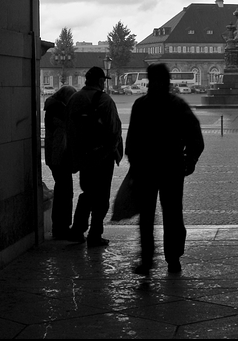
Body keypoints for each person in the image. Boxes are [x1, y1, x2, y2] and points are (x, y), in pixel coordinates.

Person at [125, 63, 204, 275]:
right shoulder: (177, 105)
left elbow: (132, 141)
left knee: (147, 217)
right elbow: (196, 138)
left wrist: (134, 164)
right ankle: (173, 257)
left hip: (146, 169)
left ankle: (147, 259)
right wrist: (189, 160)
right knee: (172, 213)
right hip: (172, 167)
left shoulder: (141, 105)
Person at [66, 67, 123, 247]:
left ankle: (77, 229)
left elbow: (70, 130)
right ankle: (95, 234)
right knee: (101, 197)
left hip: (83, 155)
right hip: (103, 156)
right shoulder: (105, 101)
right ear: (100, 81)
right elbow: (114, 130)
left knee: (87, 193)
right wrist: (113, 152)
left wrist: (76, 156)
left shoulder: (74, 99)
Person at [43, 85, 77, 240]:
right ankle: (62, 227)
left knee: (62, 192)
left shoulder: (52, 110)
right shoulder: (61, 113)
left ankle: (60, 226)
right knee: (65, 193)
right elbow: (60, 140)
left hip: (55, 159)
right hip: (60, 160)